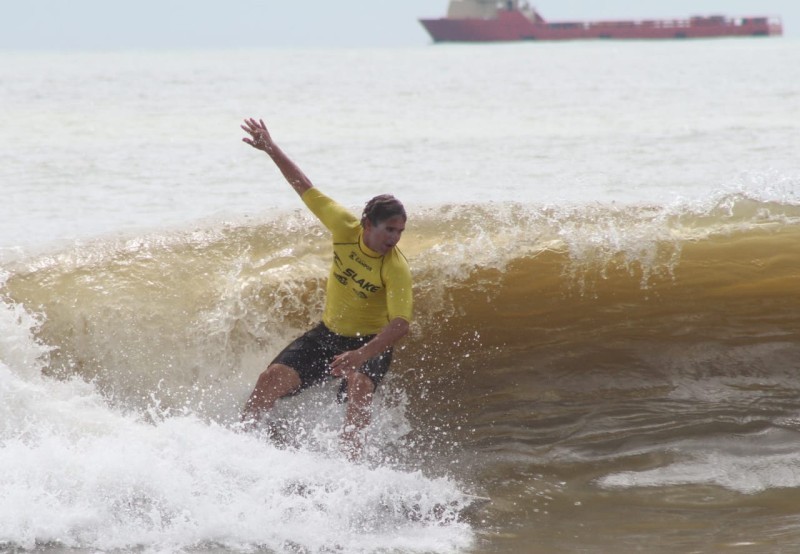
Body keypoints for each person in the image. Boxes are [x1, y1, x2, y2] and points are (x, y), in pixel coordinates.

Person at [239, 118, 413, 459]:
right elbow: (303, 185)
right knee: (270, 379)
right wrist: (271, 149)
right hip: (327, 335)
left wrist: (359, 356)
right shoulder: (344, 227)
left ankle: (350, 471)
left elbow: (400, 325)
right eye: (389, 230)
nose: (394, 239)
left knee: (360, 386)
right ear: (367, 225)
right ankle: (238, 446)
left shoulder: (396, 268)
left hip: (369, 343)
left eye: (400, 232)